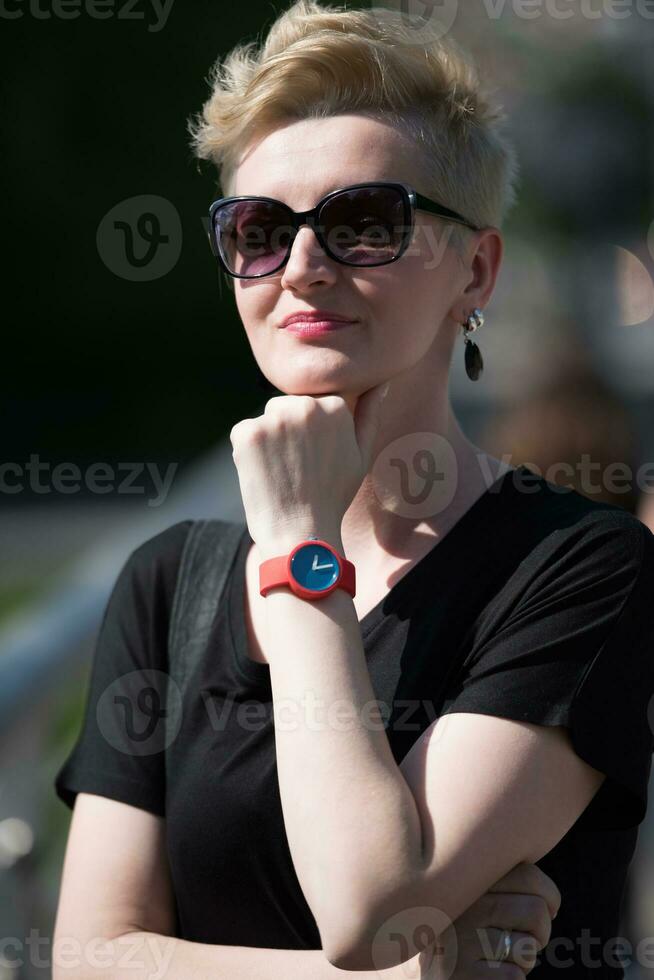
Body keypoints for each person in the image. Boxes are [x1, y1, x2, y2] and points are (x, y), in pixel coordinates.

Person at [53, 2, 654, 977]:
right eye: (256, 228)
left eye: (364, 223)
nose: (299, 266)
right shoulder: (172, 584)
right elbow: (83, 954)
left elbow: (373, 906)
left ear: (476, 269)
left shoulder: (582, 566)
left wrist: (297, 546)